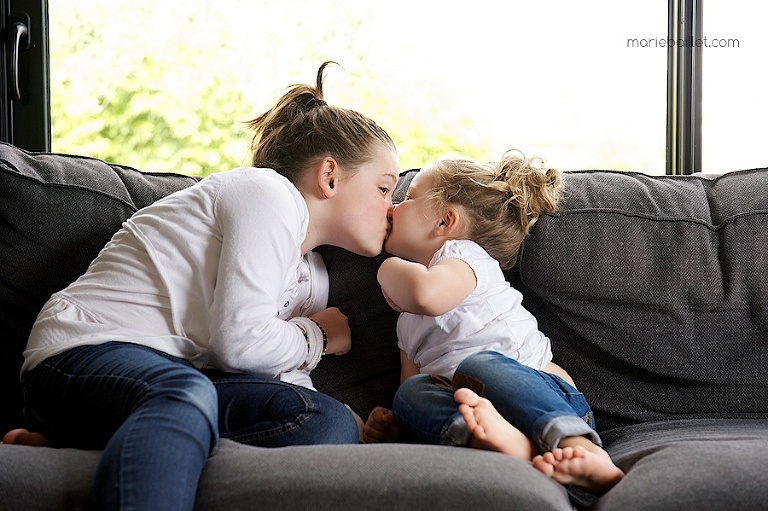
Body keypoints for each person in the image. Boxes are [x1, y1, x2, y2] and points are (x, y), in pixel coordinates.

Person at [1, 61, 400, 510]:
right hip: (84, 354)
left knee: (326, 422)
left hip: (175, 381)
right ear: (329, 176)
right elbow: (242, 343)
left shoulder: (311, 273)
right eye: (385, 188)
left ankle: (93, 447)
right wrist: (319, 335)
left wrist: (354, 426)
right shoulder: (267, 195)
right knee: (182, 394)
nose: (391, 209)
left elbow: (276, 374)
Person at [362, 151, 624, 495]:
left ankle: (582, 446)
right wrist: (399, 426)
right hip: (481, 419)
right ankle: (508, 449)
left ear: (446, 222)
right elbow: (413, 385)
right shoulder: (407, 324)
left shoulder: (464, 257)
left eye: (409, 197)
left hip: (545, 401)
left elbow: (426, 294)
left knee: (480, 365)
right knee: (411, 394)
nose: (394, 206)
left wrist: (385, 268)